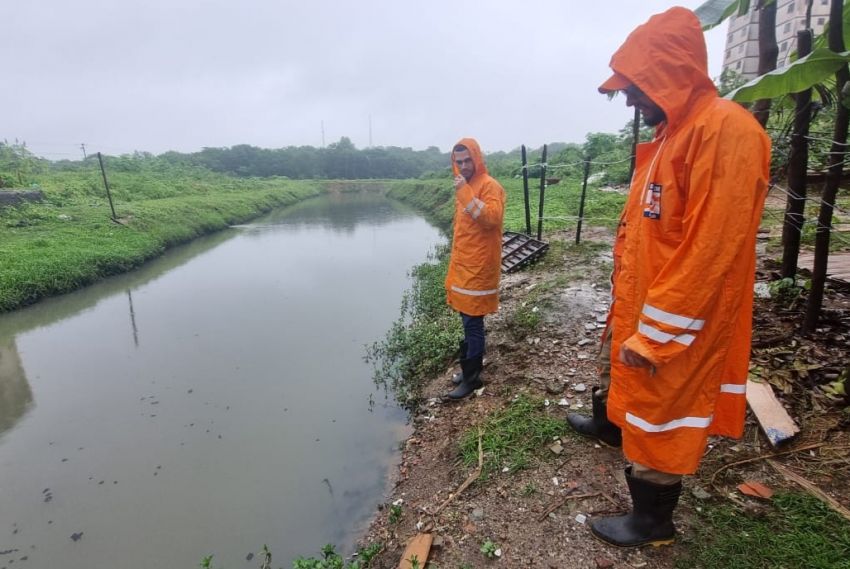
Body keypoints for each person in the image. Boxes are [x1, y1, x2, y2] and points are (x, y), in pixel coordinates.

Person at [566, 7, 771, 547]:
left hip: (682, 315)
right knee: (637, 395)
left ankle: (653, 522)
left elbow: (711, 249)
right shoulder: (671, 136)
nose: (629, 99)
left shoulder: (725, 131)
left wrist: (657, 332)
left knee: (663, 411)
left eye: (635, 86)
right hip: (649, 301)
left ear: (669, 74)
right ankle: (617, 431)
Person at [444, 138, 506, 400]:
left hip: (479, 267)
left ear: (477, 158)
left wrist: (466, 194)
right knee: (466, 321)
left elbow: (491, 218)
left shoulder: (489, 186)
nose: (464, 166)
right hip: (464, 266)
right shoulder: (464, 186)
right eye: (459, 162)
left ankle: (472, 378)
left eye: (468, 160)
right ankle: (468, 370)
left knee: (473, 324)